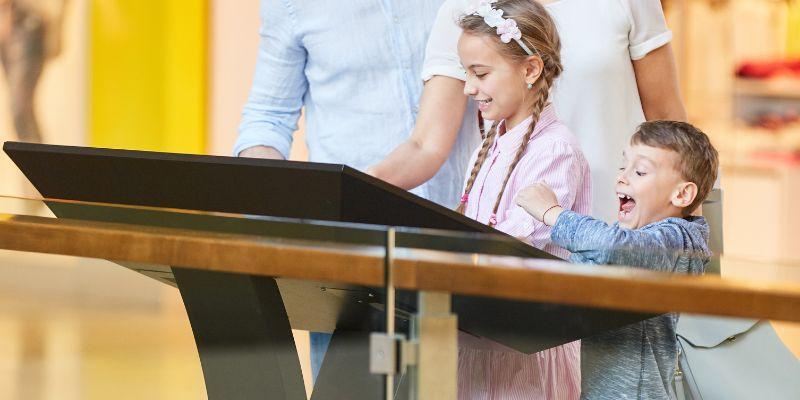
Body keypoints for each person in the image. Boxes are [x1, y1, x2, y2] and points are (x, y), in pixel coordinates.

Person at [233, 0, 482, 382]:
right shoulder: (291, 6)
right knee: (350, 387)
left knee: (468, 384)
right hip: (354, 244)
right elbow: (266, 118)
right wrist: (279, 193)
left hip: (464, 230)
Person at [368, 0, 686, 224]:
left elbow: (668, 120)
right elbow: (425, 146)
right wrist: (350, 188)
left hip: (625, 228)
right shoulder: (463, 11)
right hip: (525, 248)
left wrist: (694, 229)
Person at [515, 120, 719, 399]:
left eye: (640, 171)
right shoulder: (639, 241)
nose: (622, 178)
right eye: (623, 167)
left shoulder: (678, 239)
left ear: (682, 194)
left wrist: (552, 212)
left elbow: (611, 247)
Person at [454, 1, 589, 397]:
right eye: (466, 73)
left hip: (524, 358)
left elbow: (513, 244)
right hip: (479, 345)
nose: (468, 87)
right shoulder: (491, 144)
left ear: (530, 69)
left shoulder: (555, 152)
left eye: (480, 73)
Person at [0, 0, 66, 143]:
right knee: (17, 110)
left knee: (20, 108)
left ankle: (39, 162)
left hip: (32, 22)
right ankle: (37, 161)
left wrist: (59, 26)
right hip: (10, 22)